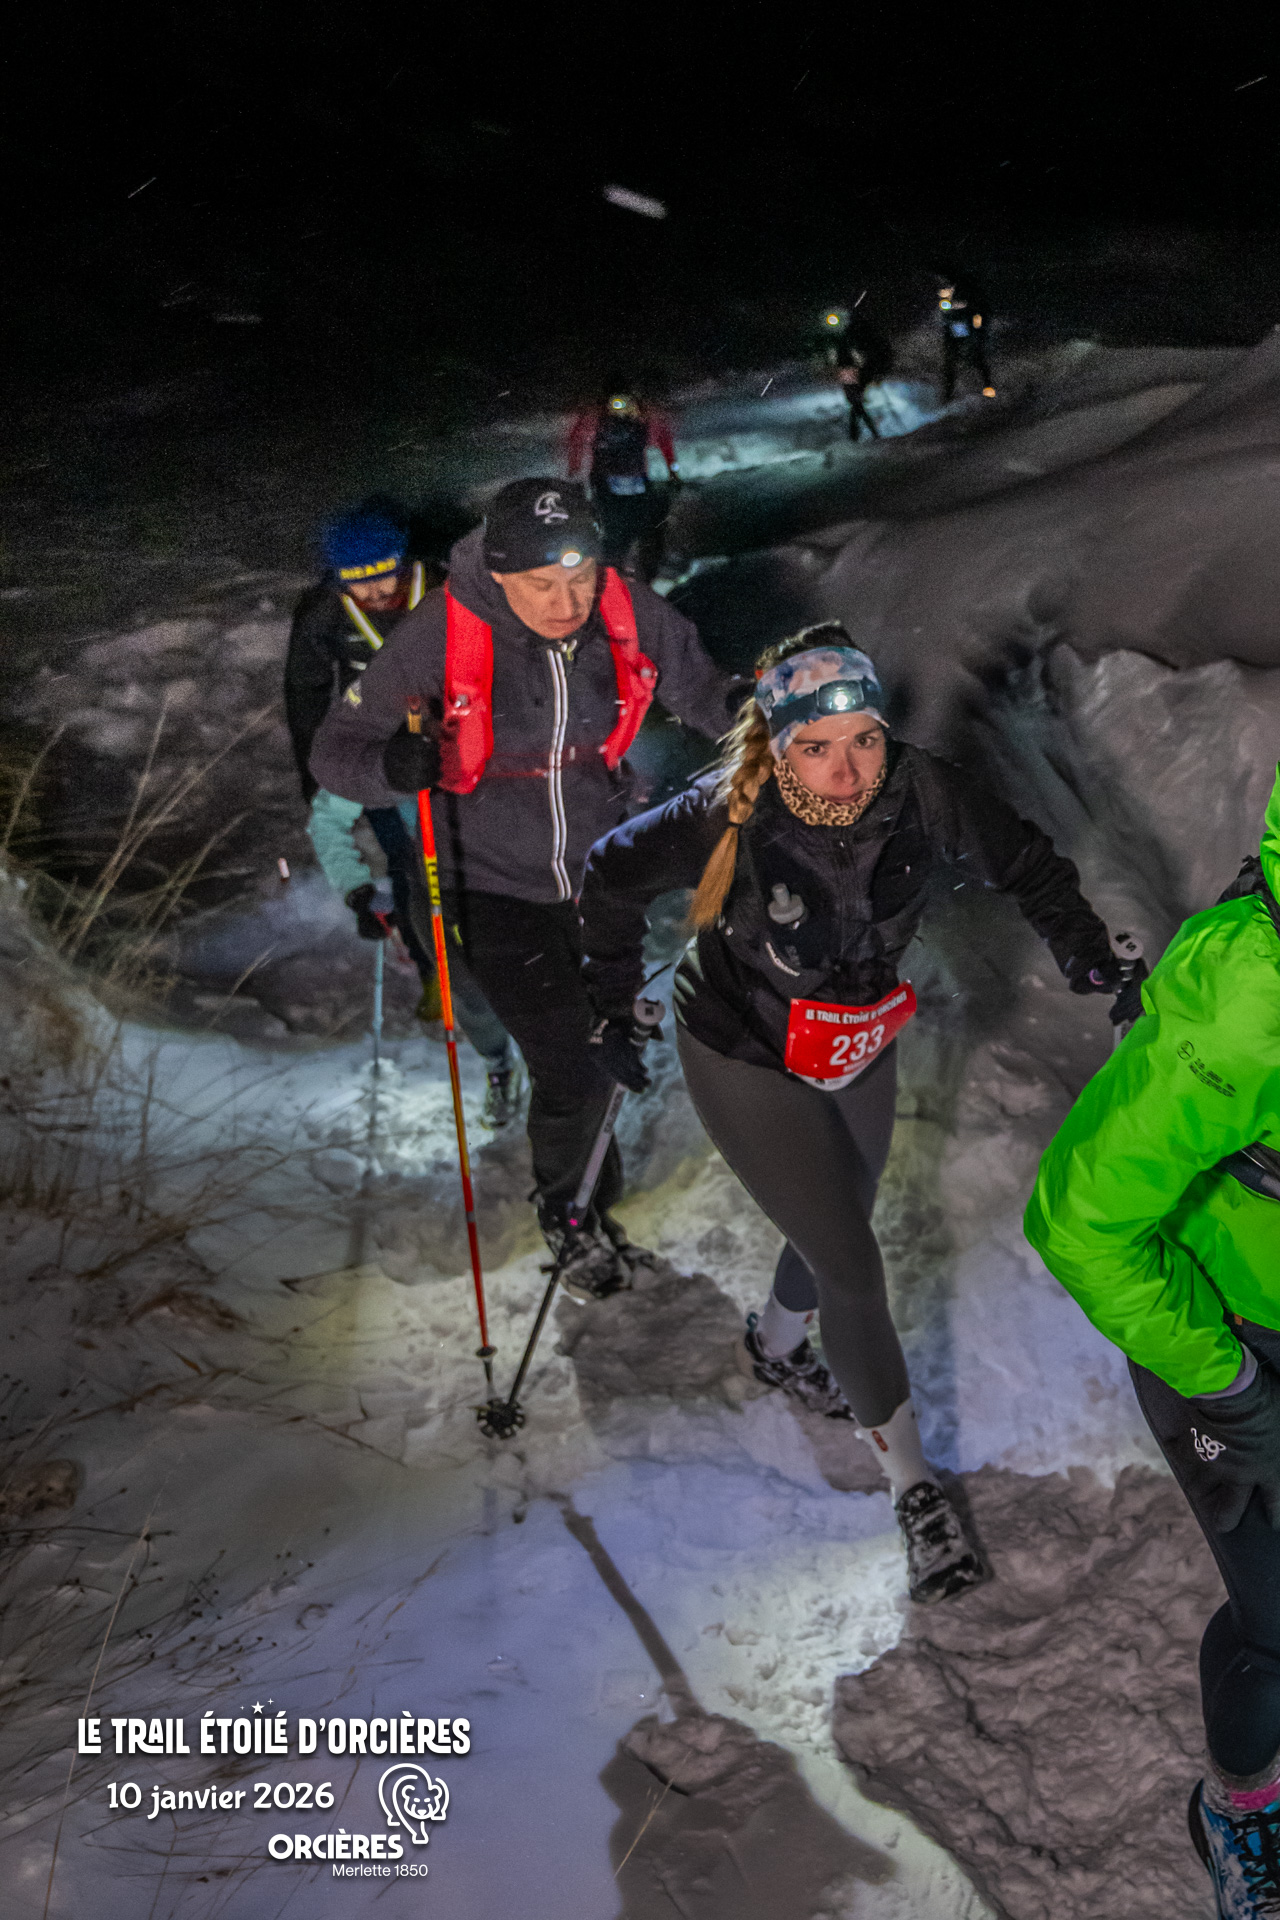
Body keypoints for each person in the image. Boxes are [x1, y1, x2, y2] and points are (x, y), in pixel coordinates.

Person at [578, 624, 1126, 1602]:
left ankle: (775, 1347)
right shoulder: (728, 811)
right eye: (817, 747)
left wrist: (1085, 953)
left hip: (851, 1036)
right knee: (849, 1263)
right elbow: (608, 874)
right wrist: (610, 1004)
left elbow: (1028, 865)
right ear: (778, 746)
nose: (847, 769)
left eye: (864, 740)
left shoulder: (921, 790)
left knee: (840, 1218)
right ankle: (914, 1489)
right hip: (742, 1048)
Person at [309, 477, 735, 1297]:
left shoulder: (623, 606)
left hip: (597, 876)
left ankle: (593, 1187)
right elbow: (336, 751)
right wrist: (392, 765)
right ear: (499, 573)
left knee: (605, 1045)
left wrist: (771, 718)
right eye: (542, 584)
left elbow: (703, 691)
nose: (567, 603)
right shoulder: (442, 630)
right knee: (574, 1064)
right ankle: (568, 1216)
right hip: (488, 887)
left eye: (581, 577)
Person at [1026, 767, 1280, 1914]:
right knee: (1276, 1627)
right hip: (1221, 1346)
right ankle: (1238, 1810)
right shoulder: (1245, 1000)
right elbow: (1078, 1220)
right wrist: (1225, 1387)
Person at [284, 503, 519, 1125]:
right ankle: (495, 1056)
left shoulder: (447, 590)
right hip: (426, 850)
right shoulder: (329, 625)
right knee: (454, 960)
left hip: (497, 830)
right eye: (358, 583)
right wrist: (359, 893)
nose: (375, 592)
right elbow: (327, 813)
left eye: (384, 575)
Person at [566, 388, 678, 584]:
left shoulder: (640, 420)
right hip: (612, 482)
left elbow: (663, 440)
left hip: (630, 482)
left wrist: (673, 469)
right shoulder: (596, 420)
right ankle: (613, 572)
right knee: (617, 528)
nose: (621, 408)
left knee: (628, 527)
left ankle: (626, 570)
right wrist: (574, 470)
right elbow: (576, 441)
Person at [819, 305, 893, 441]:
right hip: (854, 371)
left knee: (855, 403)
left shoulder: (848, 338)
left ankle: (859, 434)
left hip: (849, 371)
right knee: (856, 404)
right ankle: (865, 433)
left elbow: (846, 357)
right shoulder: (856, 336)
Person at [936, 280, 995, 403]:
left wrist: (977, 322)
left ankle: (988, 388)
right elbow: (946, 307)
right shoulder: (944, 303)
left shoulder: (964, 295)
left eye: (946, 290)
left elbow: (976, 311)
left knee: (977, 359)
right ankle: (948, 395)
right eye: (941, 291)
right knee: (950, 364)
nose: (943, 292)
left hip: (968, 334)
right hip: (953, 337)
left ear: (952, 289)